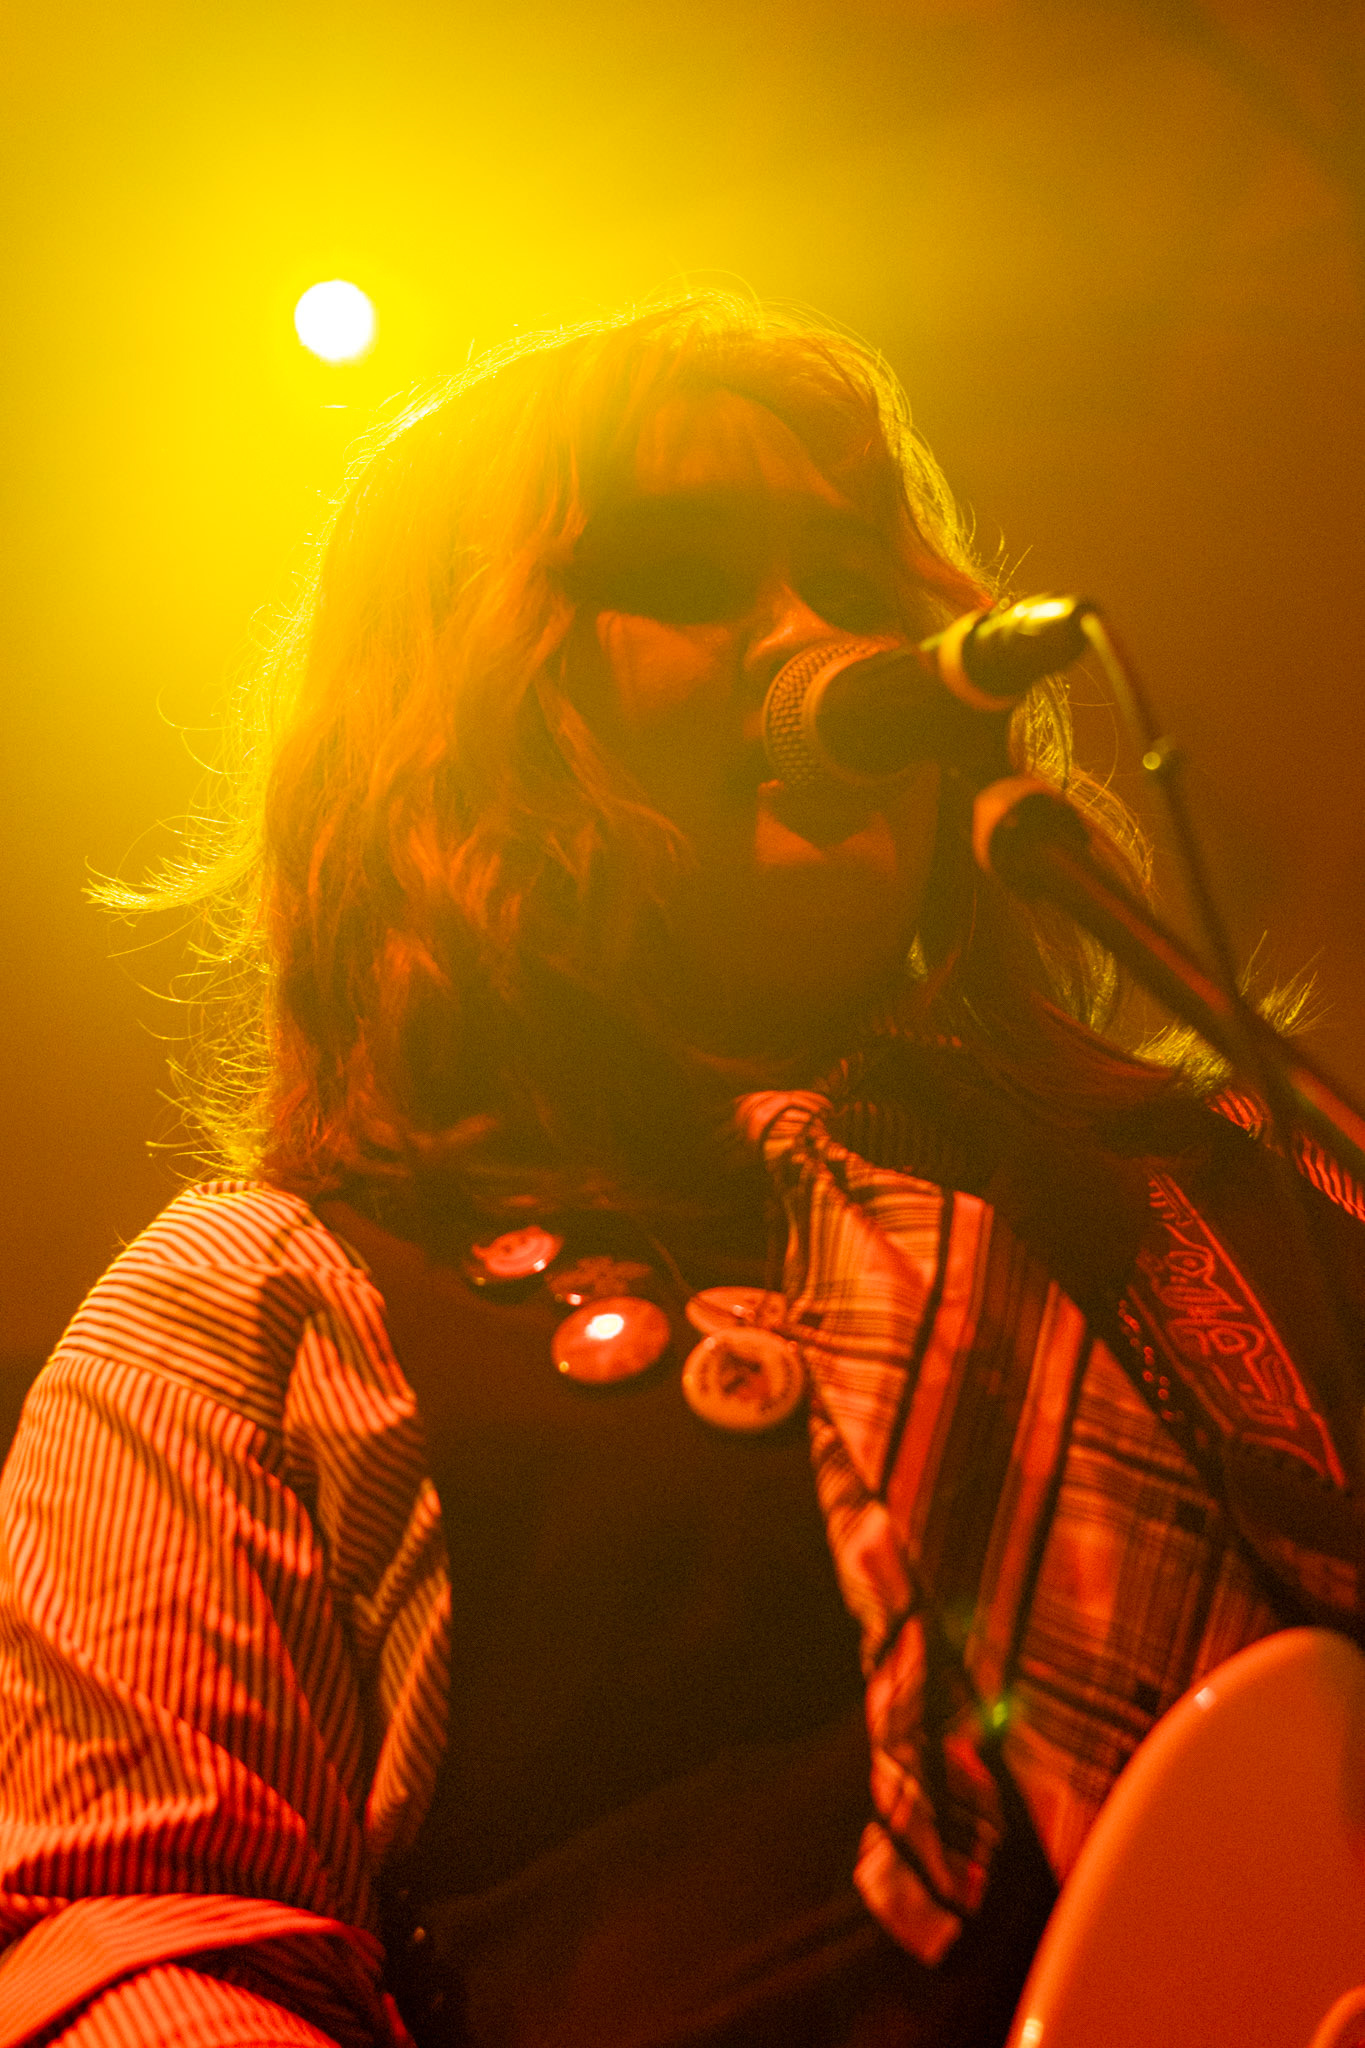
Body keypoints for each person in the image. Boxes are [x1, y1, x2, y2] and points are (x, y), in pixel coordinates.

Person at [0, 292, 1361, 2048]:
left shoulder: (1237, 1186)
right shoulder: (253, 1315)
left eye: (851, 581)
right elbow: (139, 1941)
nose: (814, 640)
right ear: (460, 706)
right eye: (688, 570)